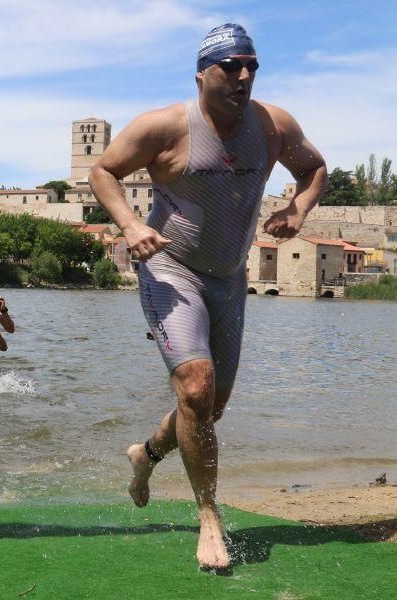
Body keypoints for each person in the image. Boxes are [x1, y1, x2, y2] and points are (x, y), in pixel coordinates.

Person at [88, 24, 327, 570]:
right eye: (231, 66)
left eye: (252, 66)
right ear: (202, 74)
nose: (244, 76)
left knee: (207, 409)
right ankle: (209, 516)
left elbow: (315, 169)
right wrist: (128, 223)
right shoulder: (165, 126)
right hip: (170, 268)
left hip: (228, 278)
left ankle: (145, 455)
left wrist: (299, 209)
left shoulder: (273, 125)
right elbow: (103, 170)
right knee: (195, 386)